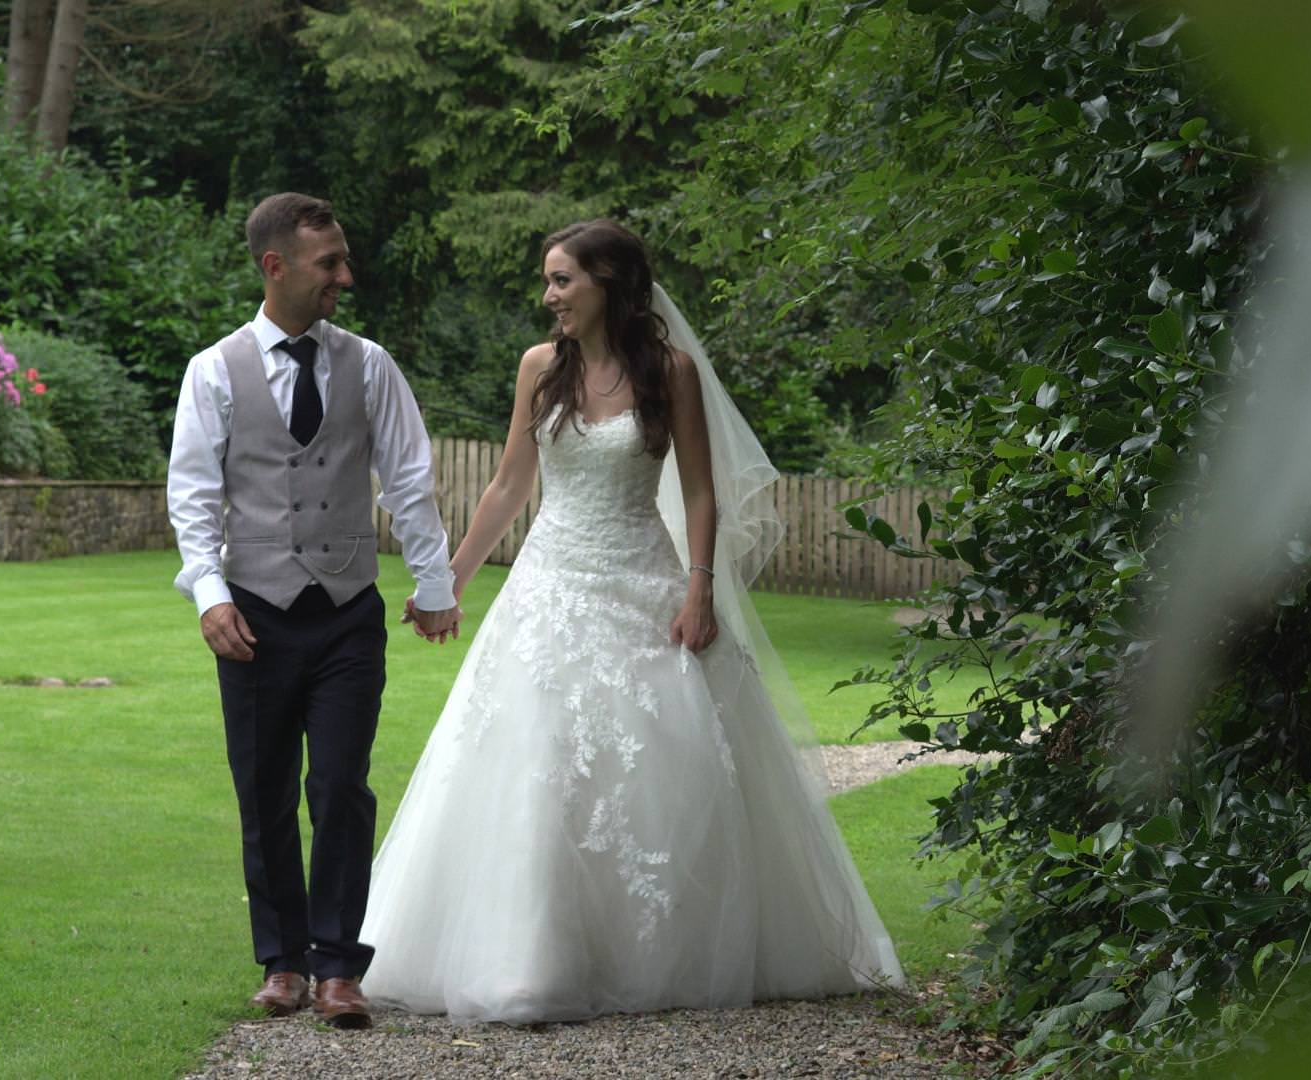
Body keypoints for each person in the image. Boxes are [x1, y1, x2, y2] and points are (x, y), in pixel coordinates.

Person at [358, 219, 902, 1022]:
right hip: (548, 587)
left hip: (643, 583)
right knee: (536, 761)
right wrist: (448, 583)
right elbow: (509, 486)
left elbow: (700, 492)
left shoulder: (669, 371)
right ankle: (530, 964)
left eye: (562, 280)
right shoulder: (539, 367)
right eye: (548, 281)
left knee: (657, 770)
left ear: (607, 282)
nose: (549, 296)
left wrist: (699, 589)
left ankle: (645, 955)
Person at [166, 192, 463, 1029]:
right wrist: (210, 596)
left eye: (343, 259)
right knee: (263, 790)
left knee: (339, 785)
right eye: (329, 262)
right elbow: (192, 495)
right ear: (276, 266)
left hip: (345, 612)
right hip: (252, 613)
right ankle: (282, 962)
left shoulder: (370, 365)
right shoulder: (213, 370)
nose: (345, 275)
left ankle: (338, 968)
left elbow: (408, 479)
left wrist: (434, 585)